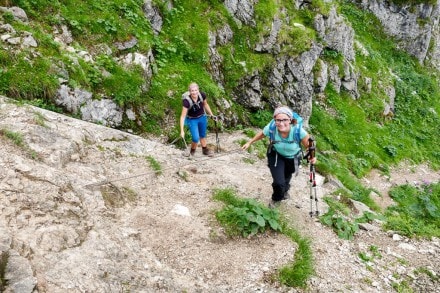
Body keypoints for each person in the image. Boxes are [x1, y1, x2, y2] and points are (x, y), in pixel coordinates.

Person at [241, 106, 317, 207]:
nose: (281, 123)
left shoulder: (298, 131)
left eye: (284, 120)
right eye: (278, 120)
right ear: (274, 120)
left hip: (293, 158)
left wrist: (312, 156)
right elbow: (262, 134)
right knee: (278, 182)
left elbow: (309, 145)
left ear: (290, 120)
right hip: (276, 155)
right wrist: (250, 142)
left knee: (287, 175)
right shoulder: (272, 128)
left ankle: (285, 190)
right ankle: (276, 199)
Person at [180, 82, 216, 157]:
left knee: (202, 135)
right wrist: (182, 130)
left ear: (198, 90)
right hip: (192, 120)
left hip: (202, 117)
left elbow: (205, 104)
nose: (194, 92)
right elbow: (182, 117)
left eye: (196, 90)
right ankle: (192, 151)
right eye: (192, 91)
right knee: (195, 138)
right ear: (190, 92)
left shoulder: (202, 95)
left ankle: (205, 150)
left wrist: (212, 115)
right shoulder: (186, 101)